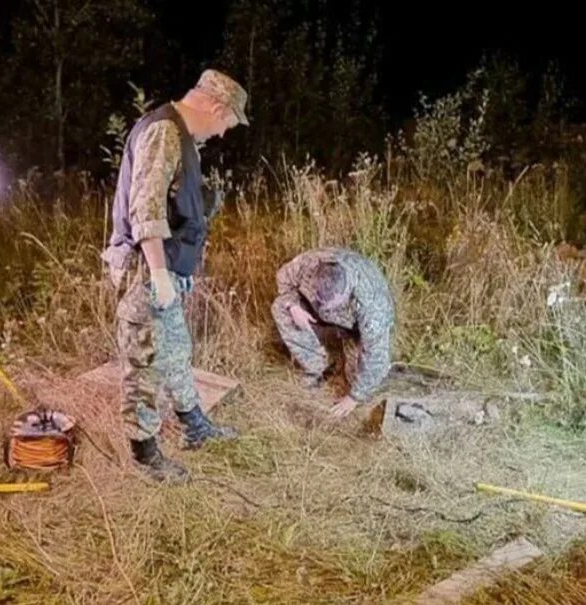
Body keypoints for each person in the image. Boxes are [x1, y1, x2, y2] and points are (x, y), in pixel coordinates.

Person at [101, 69, 247, 482]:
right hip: (146, 271)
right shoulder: (164, 131)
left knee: (176, 350)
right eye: (227, 124)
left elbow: (173, 199)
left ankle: (195, 426)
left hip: (165, 268)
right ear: (217, 108)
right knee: (144, 362)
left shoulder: (181, 136)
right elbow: (144, 209)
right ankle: (144, 453)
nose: (222, 134)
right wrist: (160, 274)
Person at [271, 248, 394, 418]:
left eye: (332, 304)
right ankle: (317, 366)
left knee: (358, 384)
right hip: (315, 315)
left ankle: (344, 353)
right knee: (281, 306)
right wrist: (293, 306)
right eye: (321, 298)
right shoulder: (312, 262)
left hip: (354, 330)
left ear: (347, 293)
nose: (325, 307)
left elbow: (377, 356)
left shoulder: (373, 304)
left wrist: (354, 397)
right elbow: (283, 278)